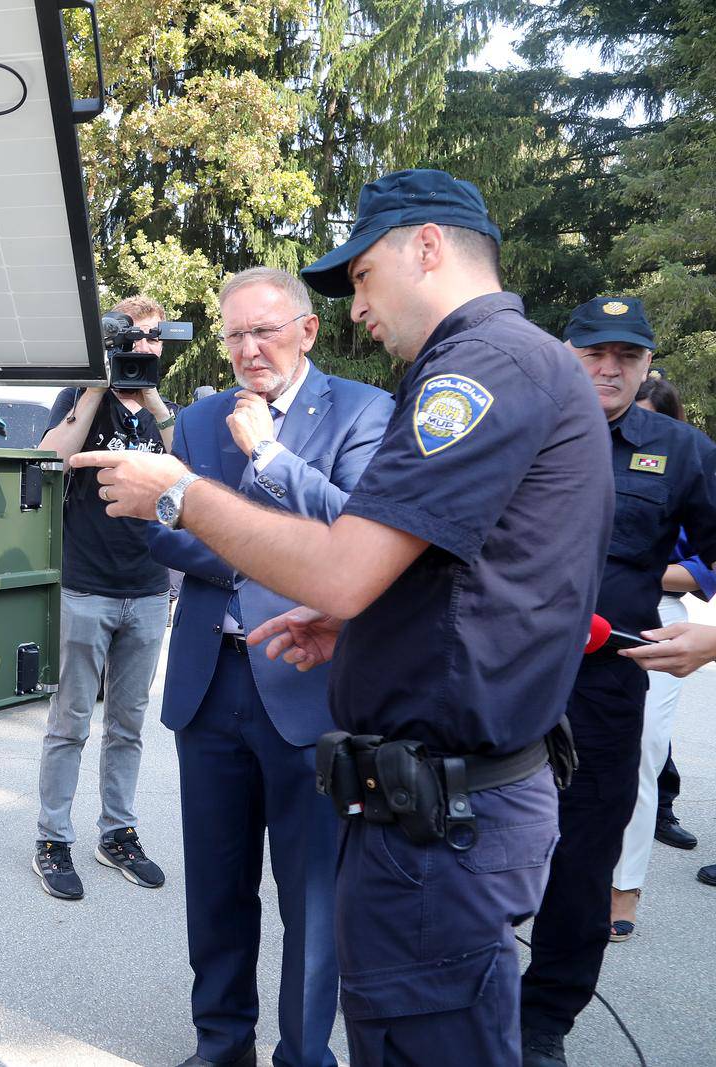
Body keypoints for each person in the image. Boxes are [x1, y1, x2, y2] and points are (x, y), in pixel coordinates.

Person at [69, 169, 613, 1066]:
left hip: (447, 810)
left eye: (361, 276)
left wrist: (186, 496)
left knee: (411, 1021)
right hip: (426, 788)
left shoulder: (478, 368)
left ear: (427, 246)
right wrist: (346, 617)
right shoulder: (506, 363)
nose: (360, 306)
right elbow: (447, 567)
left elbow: (347, 557)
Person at [150, 267, 390, 1067]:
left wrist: (268, 461)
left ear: (307, 330)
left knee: (314, 901)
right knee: (216, 892)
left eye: (266, 330)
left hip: (307, 685)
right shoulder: (197, 419)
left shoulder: (362, 410)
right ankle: (221, 1044)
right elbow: (165, 533)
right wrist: (285, 554)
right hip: (209, 682)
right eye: (235, 334)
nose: (249, 349)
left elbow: (357, 535)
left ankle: (302, 1054)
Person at [519, 297, 716, 1065]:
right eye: (594, 351)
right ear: (565, 353)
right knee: (468, 834)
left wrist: (712, 636)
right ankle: (468, 993)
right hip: (494, 673)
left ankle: (544, 1024)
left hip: (603, 685)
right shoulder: (513, 428)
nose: (608, 367)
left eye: (626, 356)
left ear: (645, 363)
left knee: (580, 858)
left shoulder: (681, 448)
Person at [32, 294, 177, 900]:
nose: (143, 345)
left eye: (153, 336)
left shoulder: (159, 413)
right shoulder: (80, 402)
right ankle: (52, 839)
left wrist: (152, 397)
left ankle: (117, 833)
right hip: (85, 585)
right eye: (132, 335)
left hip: (146, 589)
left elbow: (188, 473)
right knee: (69, 722)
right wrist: (95, 385)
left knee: (129, 724)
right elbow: (48, 458)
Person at [609, 376, 713, 939]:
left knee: (643, 754)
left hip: (661, 615)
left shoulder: (686, 458)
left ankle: (625, 887)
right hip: (582, 615)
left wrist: (643, 568)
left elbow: (704, 565)